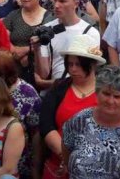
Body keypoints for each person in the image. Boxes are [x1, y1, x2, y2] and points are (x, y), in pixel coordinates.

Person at [39, 34, 103, 179]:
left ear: (92, 65)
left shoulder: (105, 92)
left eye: (79, 64)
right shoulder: (59, 89)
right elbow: (46, 125)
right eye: (70, 64)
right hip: (58, 166)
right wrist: (66, 155)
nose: (73, 69)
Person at [3, 0, 54, 85]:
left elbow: (49, 43)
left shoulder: (49, 17)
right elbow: (3, 37)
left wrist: (26, 50)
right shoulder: (13, 15)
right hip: (14, 67)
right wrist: (14, 51)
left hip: (40, 66)